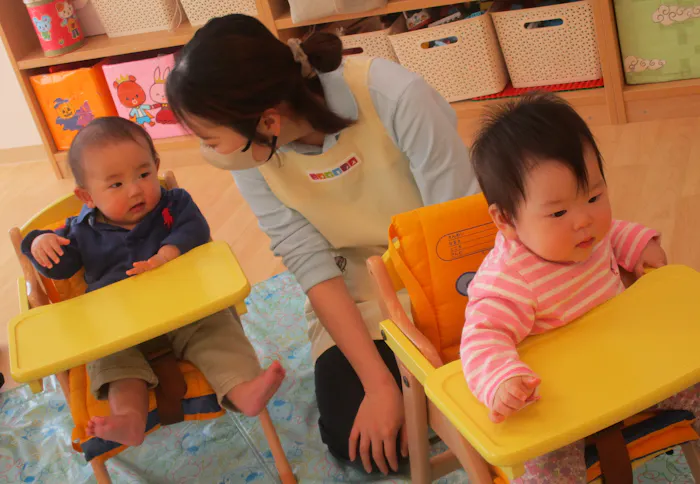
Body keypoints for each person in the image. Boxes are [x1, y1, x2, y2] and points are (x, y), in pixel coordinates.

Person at [165, 14, 479, 474]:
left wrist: (462, 345)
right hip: (361, 297)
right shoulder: (251, 153)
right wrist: (380, 386)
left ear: (269, 120)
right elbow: (310, 263)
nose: (208, 151)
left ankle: (440, 400)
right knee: (360, 445)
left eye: (210, 138)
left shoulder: (393, 96)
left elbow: (460, 233)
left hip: (445, 282)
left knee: (506, 398)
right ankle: (429, 401)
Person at [461, 92, 699, 482]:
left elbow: (613, 232)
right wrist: (503, 379)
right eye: (558, 212)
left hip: (631, 369)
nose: (584, 220)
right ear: (506, 220)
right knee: (552, 470)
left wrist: (640, 246)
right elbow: (481, 337)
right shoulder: (509, 280)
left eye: (594, 196)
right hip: (563, 406)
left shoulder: (584, 234)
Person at [21, 117, 285, 448]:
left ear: (157, 166)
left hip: (187, 311)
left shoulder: (173, 205)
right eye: (116, 185)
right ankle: (129, 419)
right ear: (86, 196)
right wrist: (37, 244)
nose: (135, 189)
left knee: (219, 330)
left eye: (144, 174)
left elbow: (195, 230)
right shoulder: (80, 231)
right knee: (111, 362)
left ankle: (242, 390)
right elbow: (59, 269)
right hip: (119, 330)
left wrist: (165, 255)